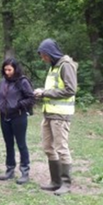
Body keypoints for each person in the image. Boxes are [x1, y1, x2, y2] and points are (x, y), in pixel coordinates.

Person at [34, 38, 78, 195]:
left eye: (44, 55)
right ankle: (55, 181)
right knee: (48, 147)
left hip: (61, 115)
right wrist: (42, 92)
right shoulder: (53, 67)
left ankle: (66, 183)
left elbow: (70, 89)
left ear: (51, 53)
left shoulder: (66, 66)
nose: (42, 58)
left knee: (61, 148)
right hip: (49, 114)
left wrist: (44, 93)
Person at [0, 58, 35, 185]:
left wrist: (18, 105)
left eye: (9, 70)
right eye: (5, 70)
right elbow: (0, 95)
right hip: (4, 116)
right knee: (8, 144)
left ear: (15, 69)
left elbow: (31, 98)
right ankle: (10, 169)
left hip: (18, 116)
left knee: (21, 144)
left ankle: (24, 171)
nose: (7, 72)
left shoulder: (22, 82)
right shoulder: (3, 81)